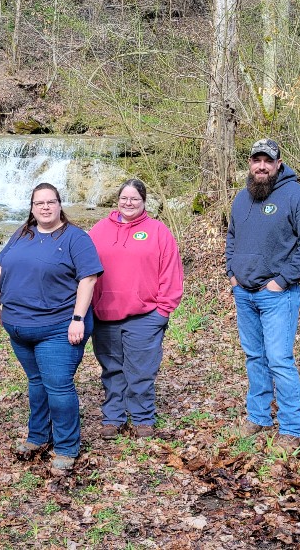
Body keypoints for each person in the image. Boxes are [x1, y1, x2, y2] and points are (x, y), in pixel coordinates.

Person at [0, 182, 102, 473]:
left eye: (51, 202)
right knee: (36, 382)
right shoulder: (22, 233)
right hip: (18, 326)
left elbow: (88, 279)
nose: (46, 207)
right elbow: (2, 269)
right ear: (32, 208)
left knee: (58, 385)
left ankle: (66, 446)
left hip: (58, 326)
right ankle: (38, 436)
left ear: (60, 204)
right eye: (39, 203)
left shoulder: (76, 238)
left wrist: (78, 318)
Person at [226, 139, 300, 455]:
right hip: (244, 294)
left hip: (277, 297)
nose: (262, 166)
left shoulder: (296, 196)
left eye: (268, 161)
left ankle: (293, 429)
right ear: (250, 164)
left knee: (279, 360)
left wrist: (282, 281)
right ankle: (258, 418)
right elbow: (231, 237)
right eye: (256, 160)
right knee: (255, 357)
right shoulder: (242, 199)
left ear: (278, 163)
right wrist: (232, 271)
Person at [88, 179, 183, 440]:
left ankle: (142, 418)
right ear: (117, 200)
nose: (128, 203)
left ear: (143, 202)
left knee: (141, 372)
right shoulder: (99, 230)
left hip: (145, 317)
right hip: (105, 316)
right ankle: (113, 417)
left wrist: (163, 310)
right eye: (124, 198)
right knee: (111, 370)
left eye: (135, 199)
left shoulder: (158, 231)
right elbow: (83, 269)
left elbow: (171, 272)